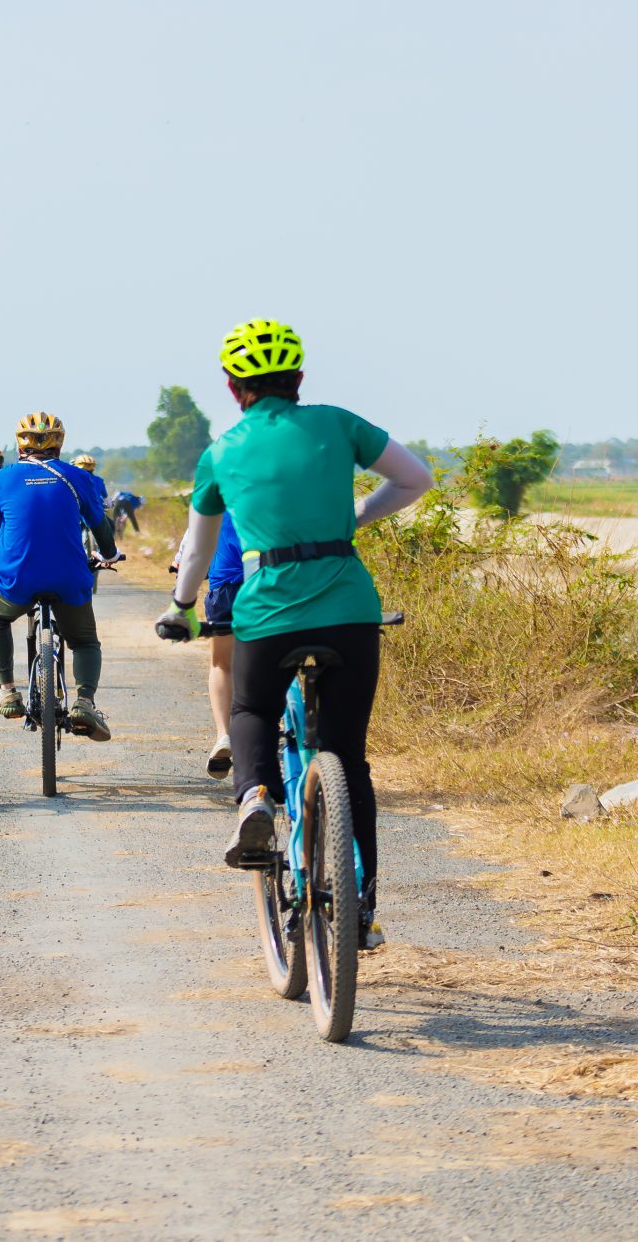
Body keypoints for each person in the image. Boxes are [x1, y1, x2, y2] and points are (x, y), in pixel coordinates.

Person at [158, 319, 433, 950]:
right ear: (300, 379)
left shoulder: (220, 453)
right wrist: (355, 518)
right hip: (349, 609)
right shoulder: (340, 423)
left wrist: (181, 606)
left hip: (268, 612)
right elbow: (416, 478)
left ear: (233, 389)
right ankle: (360, 904)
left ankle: (254, 796)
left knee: (252, 706)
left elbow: (197, 552)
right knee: (350, 760)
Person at [0, 411, 120, 739]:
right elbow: (100, 525)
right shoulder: (78, 477)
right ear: (59, 444)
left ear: (20, 444)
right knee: (83, 640)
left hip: (17, 581)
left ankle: (8, 690)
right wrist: (109, 554)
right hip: (69, 579)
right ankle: (84, 702)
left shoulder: (2, 478)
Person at [168, 506, 244, 778]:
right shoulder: (287, 482)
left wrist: (180, 574)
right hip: (284, 584)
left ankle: (224, 735)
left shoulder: (220, 488)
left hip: (229, 588)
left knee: (222, 664)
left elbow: (194, 543)